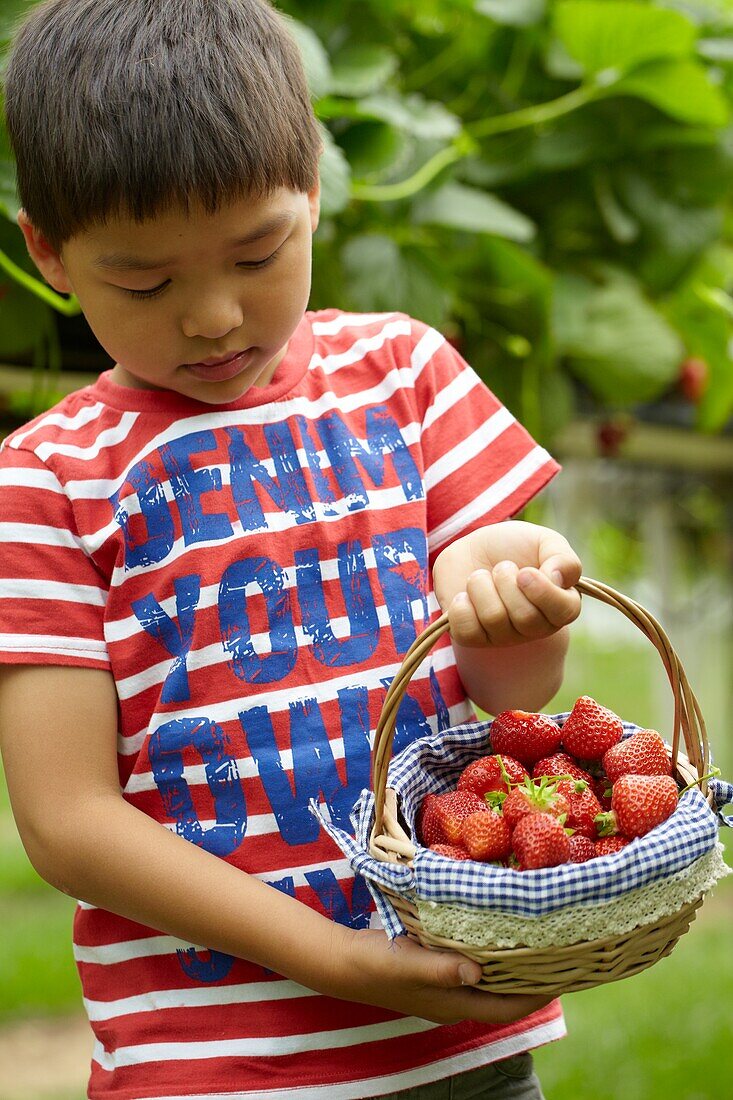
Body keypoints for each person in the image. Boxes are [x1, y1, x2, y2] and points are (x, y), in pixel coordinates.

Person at [0, 2, 583, 1097]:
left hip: (461, 1026)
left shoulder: (404, 377)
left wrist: (512, 601)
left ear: (312, 185)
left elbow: (510, 692)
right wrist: (336, 960)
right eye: (144, 282)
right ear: (48, 249)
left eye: (258, 252)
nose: (213, 316)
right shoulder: (43, 478)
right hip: (216, 1061)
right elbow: (66, 818)